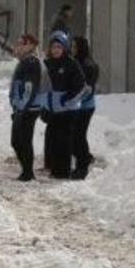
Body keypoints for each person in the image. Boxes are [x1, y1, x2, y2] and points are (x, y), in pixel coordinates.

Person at [43, 31, 86, 179]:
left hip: (68, 109)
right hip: (53, 109)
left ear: (64, 48)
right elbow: (42, 87)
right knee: (53, 140)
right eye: (53, 47)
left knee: (65, 141)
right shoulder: (47, 64)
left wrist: (67, 98)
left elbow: (80, 86)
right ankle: (55, 169)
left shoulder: (71, 64)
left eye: (59, 47)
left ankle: (63, 171)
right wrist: (44, 107)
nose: (56, 50)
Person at [9, 33, 50, 182]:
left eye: (22, 44)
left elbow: (29, 89)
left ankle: (27, 172)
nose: (18, 46)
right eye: (18, 43)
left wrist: (21, 108)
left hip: (29, 108)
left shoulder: (31, 63)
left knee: (22, 140)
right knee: (17, 141)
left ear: (31, 46)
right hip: (22, 108)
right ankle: (26, 171)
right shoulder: (25, 62)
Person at [71, 36, 99, 180]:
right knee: (76, 136)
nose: (72, 49)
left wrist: (74, 100)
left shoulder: (88, 66)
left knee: (78, 136)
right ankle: (85, 159)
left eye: (75, 47)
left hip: (85, 107)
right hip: (77, 106)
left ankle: (82, 167)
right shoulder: (77, 62)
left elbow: (87, 89)